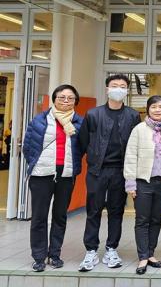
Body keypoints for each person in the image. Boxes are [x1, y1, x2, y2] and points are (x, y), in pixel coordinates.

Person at [78, 74, 141, 272]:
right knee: (93, 210)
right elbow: (82, 142)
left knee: (116, 211)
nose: (118, 89)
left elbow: (136, 144)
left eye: (122, 86)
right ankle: (91, 250)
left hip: (120, 171)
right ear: (107, 89)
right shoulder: (93, 114)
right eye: (115, 85)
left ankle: (111, 249)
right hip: (97, 170)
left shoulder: (132, 115)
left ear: (127, 91)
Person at [23, 85, 84, 272]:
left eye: (70, 98)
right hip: (42, 174)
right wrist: (37, 163)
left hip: (66, 174)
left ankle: (55, 254)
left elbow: (82, 147)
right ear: (54, 99)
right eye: (61, 97)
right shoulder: (40, 120)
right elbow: (28, 146)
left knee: (60, 216)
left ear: (75, 101)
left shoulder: (80, 122)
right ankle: (39, 257)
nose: (66, 101)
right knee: (39, 217)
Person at [124, 95, 161, 275]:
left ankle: (151, 253)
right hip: (143, 182)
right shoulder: (139, 129)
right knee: (142, 220)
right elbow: (130, 156)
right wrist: (130, 183)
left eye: (160, 107)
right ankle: (143, 256)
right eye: (153, 107)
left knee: (156, 220)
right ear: (148, 109)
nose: (157, 110)